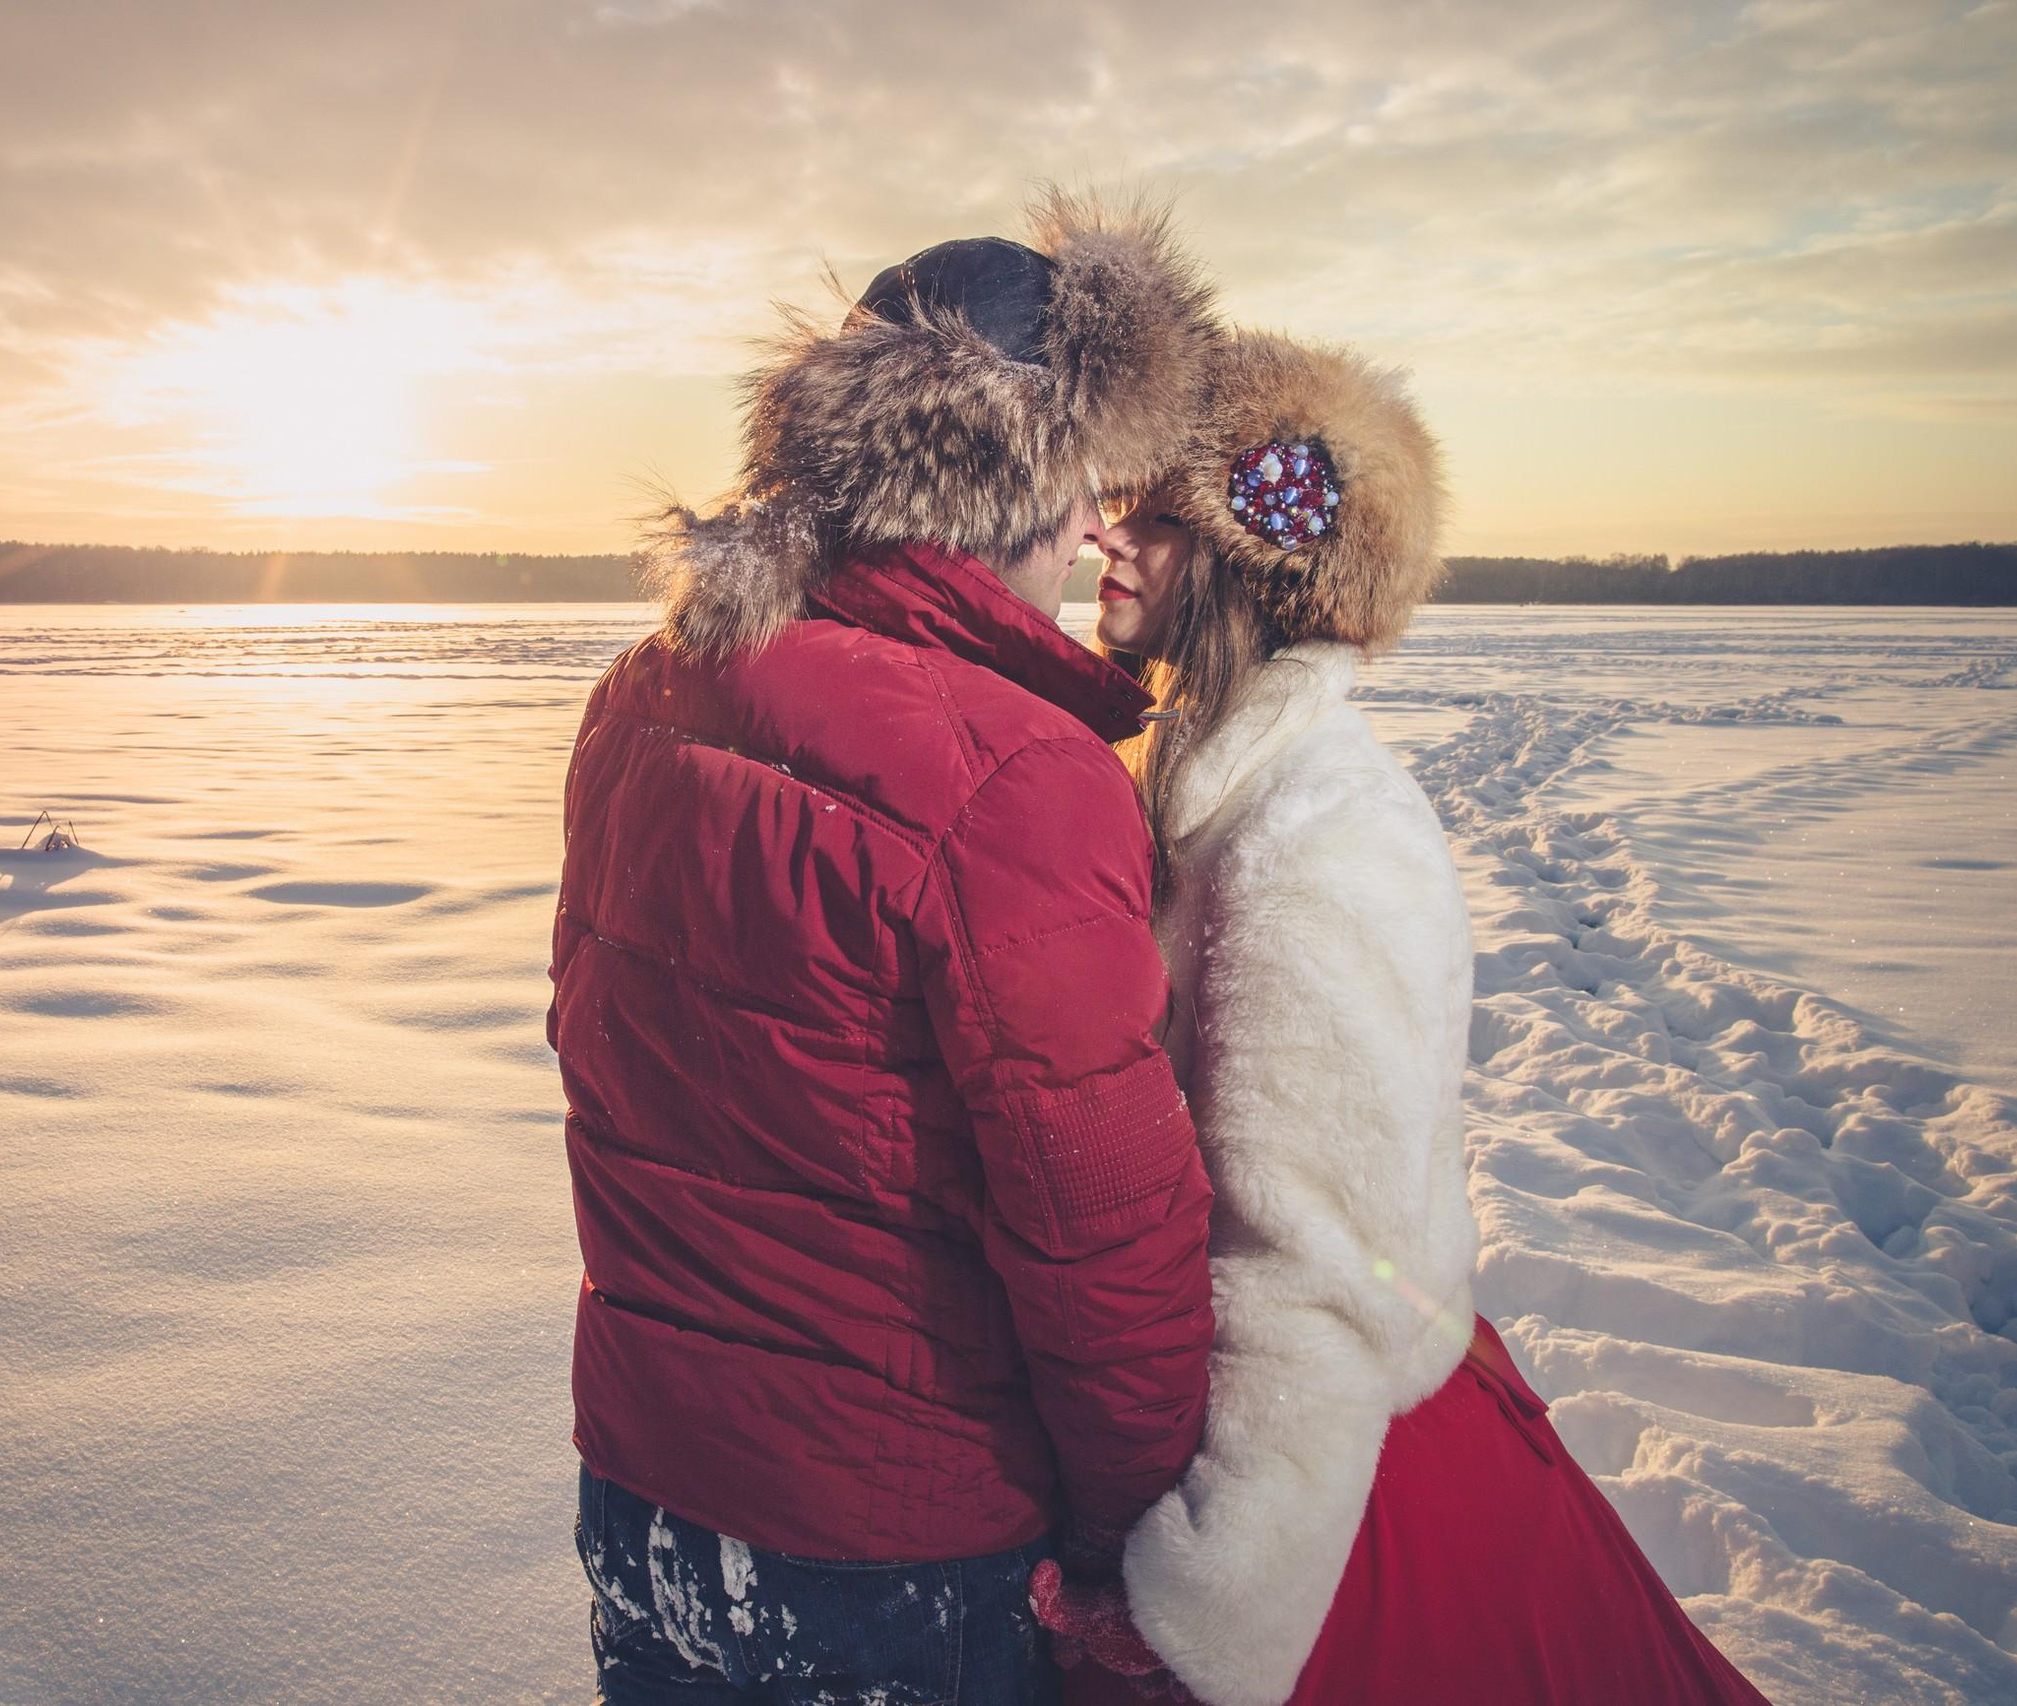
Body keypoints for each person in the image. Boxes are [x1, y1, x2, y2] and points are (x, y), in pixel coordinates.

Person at [548, 192, 1227, 1704]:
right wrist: (1135, 1546)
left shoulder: (647, 691)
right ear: (1018, 490)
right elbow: (1102, 1238)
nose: (1102, 530)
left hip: (649, 1504)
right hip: (899, 1560)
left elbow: (600, 1049)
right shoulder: (1018, 775)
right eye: (1086, 485)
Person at [1042, 329, 1772, 1705]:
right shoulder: (1199, 791)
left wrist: (1207, 1616)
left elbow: (1318, 1260)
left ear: (1262, 569)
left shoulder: (1324, 839)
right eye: (1117, 505)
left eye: (1160, 521)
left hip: (1319, 1499)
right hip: (1245, 1439)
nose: (1109, 543)